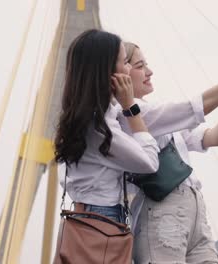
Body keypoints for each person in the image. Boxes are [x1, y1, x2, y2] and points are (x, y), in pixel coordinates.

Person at [120, 35, 218, 263]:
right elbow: (196, 108)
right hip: (163, 213)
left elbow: (214, 137)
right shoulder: (132, 114)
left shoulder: (159, 116)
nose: (150, 71)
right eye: (140, 66)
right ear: (122, 74)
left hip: (194, 213)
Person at [54, 29, 160, 224]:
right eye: (124, 62)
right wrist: (130, 107)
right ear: (108, 70)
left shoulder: (82, 118)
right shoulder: (98, 128)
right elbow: (149, 163)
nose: (128, 69)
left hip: (88, 217)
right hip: (102, 219)